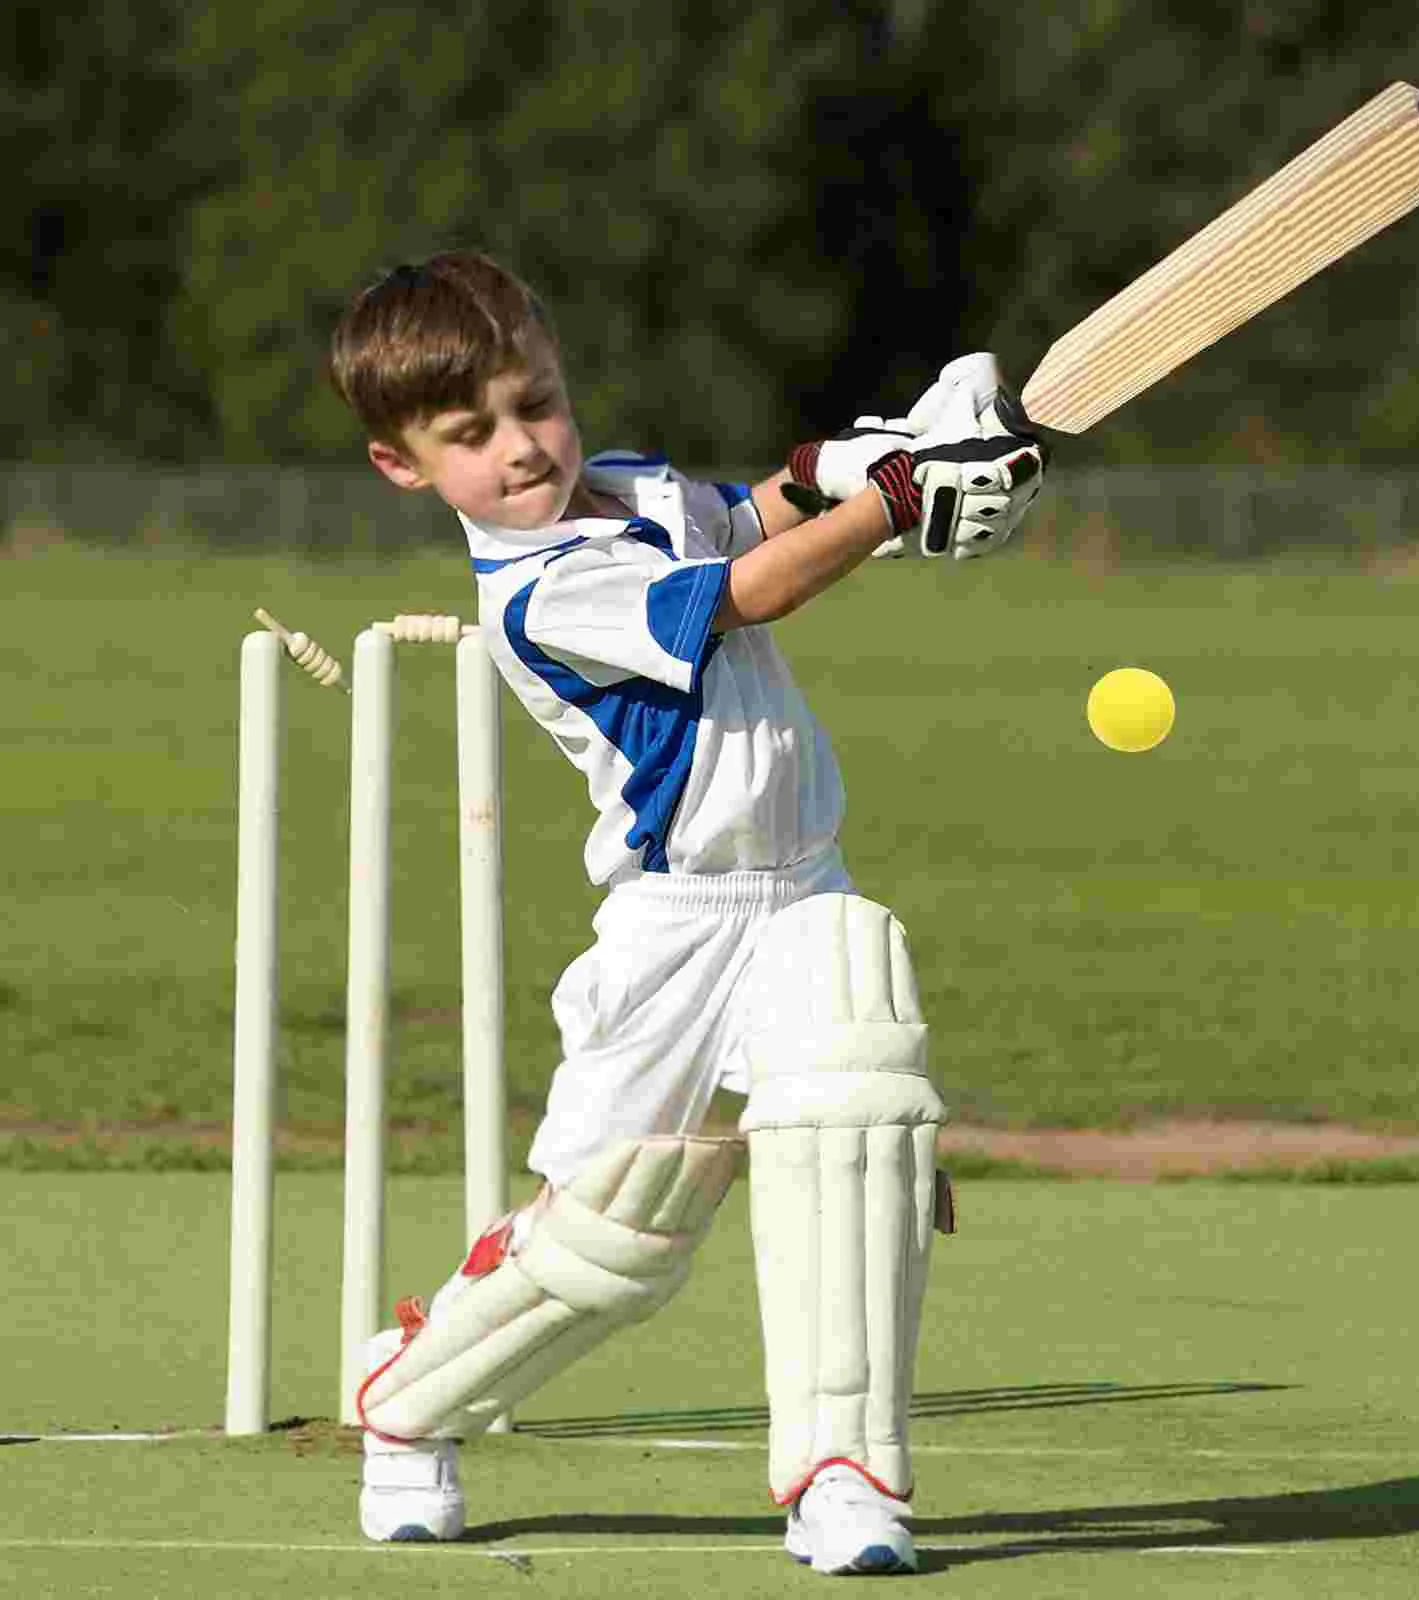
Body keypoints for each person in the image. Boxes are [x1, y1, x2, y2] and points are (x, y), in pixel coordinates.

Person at [327, 250, 1045, 1576]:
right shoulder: (540, 592)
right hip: (676, 924)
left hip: (802, 883)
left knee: (859, 1122)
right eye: (469, 436)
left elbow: (753, 514)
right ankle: (409, 1399)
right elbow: (746, 593)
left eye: (533, 402)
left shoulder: (643, 489)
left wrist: (877, 453)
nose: (521, 448)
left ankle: (844, 1474)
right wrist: (897, 502)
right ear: (404, 466)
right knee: (614, 1240)